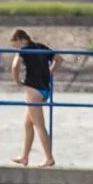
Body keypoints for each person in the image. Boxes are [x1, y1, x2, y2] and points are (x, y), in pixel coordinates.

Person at [8, 29, 57, 167]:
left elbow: (15, 65)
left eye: (15, 45)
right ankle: (24, 157)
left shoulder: (24, 50)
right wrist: (50, 72)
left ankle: (49, 158)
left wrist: (17, 81)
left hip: (33, 91)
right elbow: (58, 58)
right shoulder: (40, 47)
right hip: (44, 89)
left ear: (19, 39)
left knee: (39, 125)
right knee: (28, 124)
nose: (16, 48)